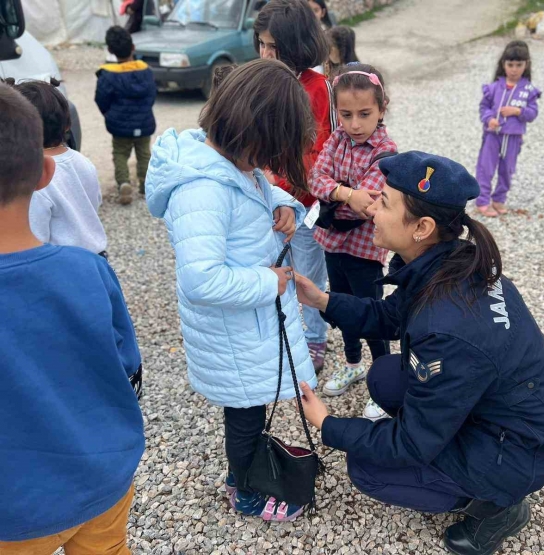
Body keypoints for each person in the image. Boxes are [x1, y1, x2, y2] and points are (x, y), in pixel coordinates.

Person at [295, 151, 544, 555]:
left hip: (519, 450)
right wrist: (322, 300)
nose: (372, 208)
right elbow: (392, 316)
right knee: (387, 376)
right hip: (503, 412)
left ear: (422, 227)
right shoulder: (450, 263)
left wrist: (328, 425)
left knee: (367, 468)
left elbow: (410, 443)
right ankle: (460, 462)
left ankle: (498, 507)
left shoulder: (446, 327)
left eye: (384, 203)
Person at [145, 59, 317, 522]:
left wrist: (283, 205)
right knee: (243, 418)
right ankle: (246, 491)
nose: (267, 165)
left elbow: (258, 189)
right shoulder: (202, 190)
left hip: (248, 325)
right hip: (234, 331)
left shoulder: (232, 163)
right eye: (270, 151)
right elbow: (200, 280)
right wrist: (269, 281)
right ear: (254, 134)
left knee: (249, 413)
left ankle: (243, 473)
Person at [0, 83, 144, 553]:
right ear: (45, 172)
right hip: (104, 480)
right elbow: (126, 363)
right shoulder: (91, 271)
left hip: (16, 513)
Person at [310, 63, 397, 421]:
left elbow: (370, 205)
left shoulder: (387, 150)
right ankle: (352, 363)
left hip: (365, 249)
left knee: (371, 312)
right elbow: (313, 177)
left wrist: (335, 196)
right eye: (346, 115)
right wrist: (347, 193)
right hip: (333, 244)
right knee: (341, 306)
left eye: (365, 114)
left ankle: (385, 381)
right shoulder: (336, 139)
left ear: (382, 108)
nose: (355, 124)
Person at [254, 0, 336, 373]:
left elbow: (316, 152)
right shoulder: (264, 80)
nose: (267, 54)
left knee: (307, 274)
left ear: (297, 44)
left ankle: (315, 340)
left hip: (305, 205)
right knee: (270, 268)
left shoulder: (316, 87)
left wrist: (280, 185)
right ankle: (283, 335)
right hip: (266, 195)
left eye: (275, 47)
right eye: (262, 45)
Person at [11, 78, 108, 257]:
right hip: (96, 259)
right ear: (67, 125)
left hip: (60, 267)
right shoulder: (82, 161)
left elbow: (35, 239)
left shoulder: (34, 178)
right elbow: (95, 202)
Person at [475, 41, 540, 218]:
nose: (514, 69)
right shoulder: (494, 87)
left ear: (526, 65)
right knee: (485, 168)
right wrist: (489, 119)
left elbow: (533, 113)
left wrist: (518, 111)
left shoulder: (528, 90)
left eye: (519, 65)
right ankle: (482, 200)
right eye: (510, 64)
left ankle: (499, 198)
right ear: (503, 64)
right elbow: (484, 108)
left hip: (513, 137)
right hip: (492, 136)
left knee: (507, 169)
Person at [95, 25, 156, 205]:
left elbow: (101, 99)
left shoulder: (107, 75)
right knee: (144, 153)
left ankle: (123, 183)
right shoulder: (146, 71)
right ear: (133, 48)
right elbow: (152, 95)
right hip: (144, 122)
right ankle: (145, 185)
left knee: (120, 154)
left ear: (110, 50)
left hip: (119, 126)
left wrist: (109, 115)